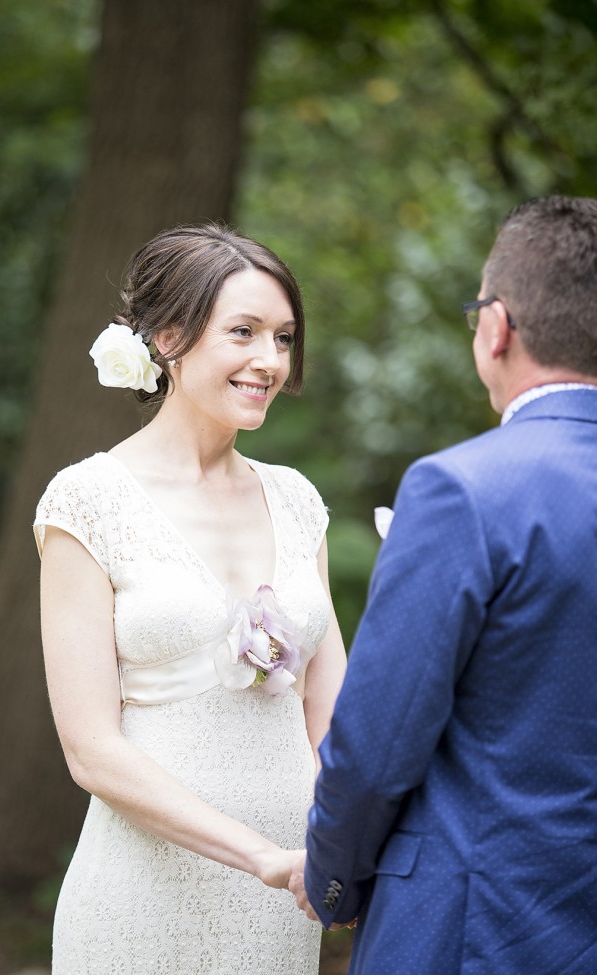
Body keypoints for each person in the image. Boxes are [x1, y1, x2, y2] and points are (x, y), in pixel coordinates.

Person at [293, 195, 597, 974]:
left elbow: (378, 742)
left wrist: (333, 879)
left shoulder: (464, 491)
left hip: (477, 927)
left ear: (496, 326)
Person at [33, 223, 346, 975]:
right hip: (143, 895)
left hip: (286, 900)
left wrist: (341, 847)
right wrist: (258, 856)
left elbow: (332, 714)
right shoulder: (88, 500)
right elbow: (91, 750)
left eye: (283, 337)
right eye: (244, 332)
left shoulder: (298, 501)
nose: (269, 360)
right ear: (168, 337)